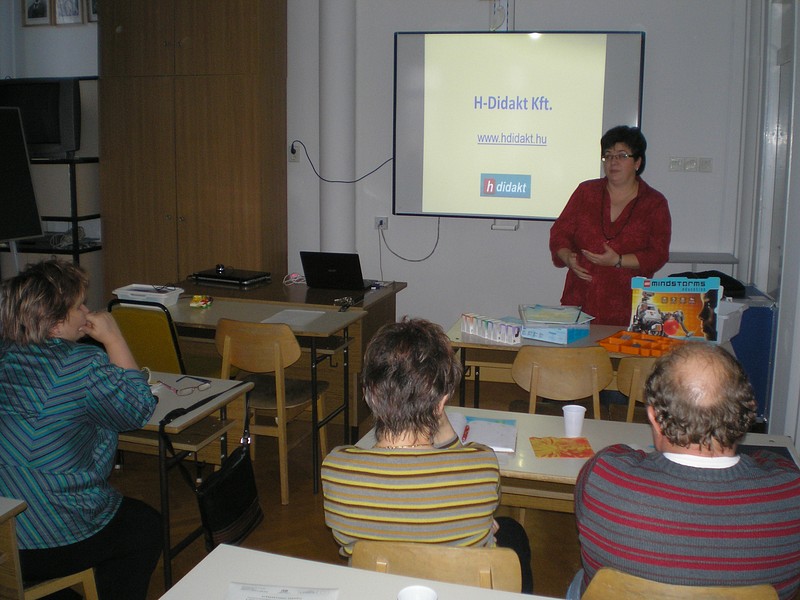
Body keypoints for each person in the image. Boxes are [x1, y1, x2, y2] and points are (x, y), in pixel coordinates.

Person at [568, 343, 800, 599]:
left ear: (654, 417)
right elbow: (771, 462)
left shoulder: (603, 476)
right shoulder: (792, 492)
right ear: (746, 412)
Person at [322, 318, 534, 593]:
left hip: (380, 591)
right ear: (442, 401)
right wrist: (435, 409)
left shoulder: (336, 470)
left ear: (368, 395)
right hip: (458, 591)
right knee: (512, 531)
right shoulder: (481, 467)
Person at [0, 259, 162, 600]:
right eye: (80, 305)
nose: (87, 311)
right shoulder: (81, 363)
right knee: (144, 527)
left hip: (3, 535)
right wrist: (114, 338)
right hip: (46, 538)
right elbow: (138, 410)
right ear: (56, 322)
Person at [549, 125, 671, 325]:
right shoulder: (586, 192)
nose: (613, 161)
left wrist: (618, 260)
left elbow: (658, 254)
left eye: (622, 155)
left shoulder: (654, 203)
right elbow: (559, 233)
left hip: (627, 304)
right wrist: (567, 257)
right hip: (580, 299)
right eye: (608, 155)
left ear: (638, 162)